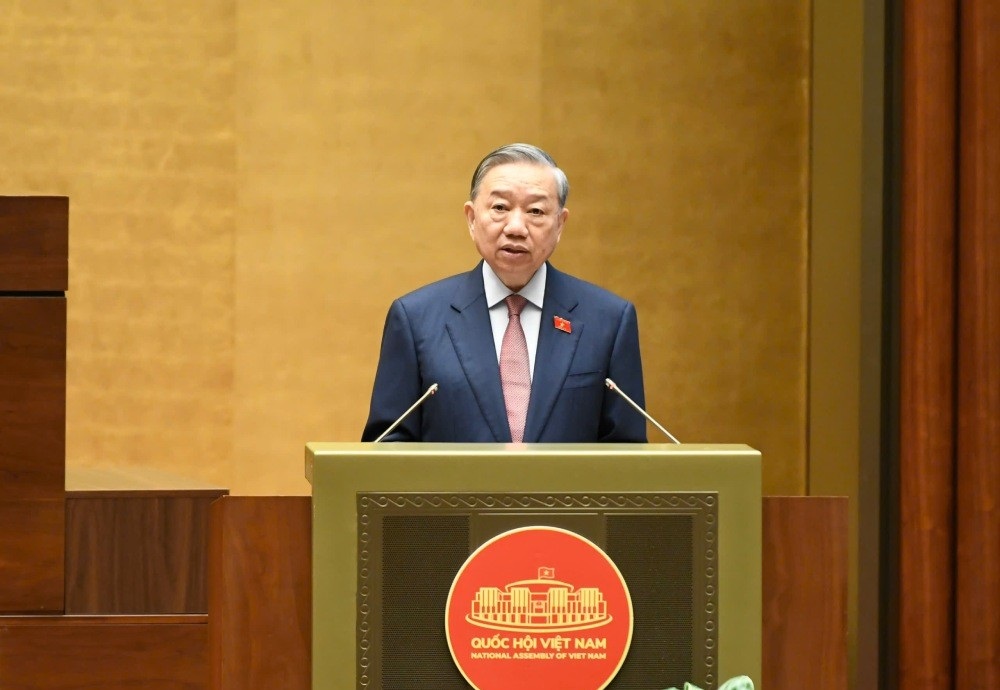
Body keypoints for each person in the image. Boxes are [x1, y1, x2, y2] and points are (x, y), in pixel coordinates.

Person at [361, 143, 646, 442]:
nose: (516, 227)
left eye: (536, 211)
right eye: (500, 207)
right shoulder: (415, 319)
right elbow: (386, 450)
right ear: (472, 218)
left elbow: (626, 456)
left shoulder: (609, 321)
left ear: (560, 224)